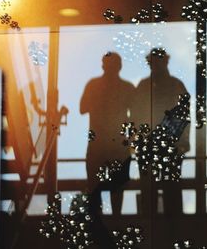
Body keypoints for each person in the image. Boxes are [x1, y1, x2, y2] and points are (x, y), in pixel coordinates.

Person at [132, 48, 190, 217]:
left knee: (167, 189)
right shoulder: (170, 85)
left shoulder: (170, 85)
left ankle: (169, 226)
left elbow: (184, 116)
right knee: (158, 189)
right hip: (162, 144)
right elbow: (137, 116)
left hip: (167, 144)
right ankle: (170, 227)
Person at [80, 52, 135, 215]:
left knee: (94, 184)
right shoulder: (127, 87)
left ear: (103, 65)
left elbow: (82, 108)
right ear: (120, 66)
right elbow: (137, 116)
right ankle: (116, 218)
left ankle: (97, 219)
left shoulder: (93, 85)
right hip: (118, 144)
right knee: (117, 185)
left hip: (97, 143)